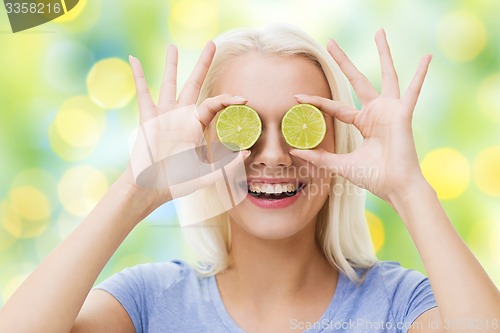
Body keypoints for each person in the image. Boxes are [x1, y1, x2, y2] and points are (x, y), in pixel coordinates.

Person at [0, 24, 498, 333]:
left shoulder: (395, 305)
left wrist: (409, 188)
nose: (274, 155)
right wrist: (136, 189)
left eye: (302, 127)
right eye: (243, 129)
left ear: (338, 144)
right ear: (202, 148)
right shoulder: (149, 302)